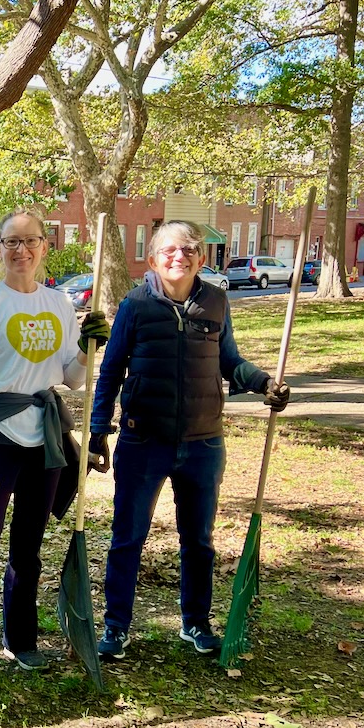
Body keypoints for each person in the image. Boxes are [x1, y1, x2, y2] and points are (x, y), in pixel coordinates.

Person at [87, 220, 290, 662]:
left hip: (203, 443)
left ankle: (196, 622)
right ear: (153, 259)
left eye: (189, 250)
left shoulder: (216, 301)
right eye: (170, 250)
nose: (179, 256)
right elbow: (111, 370)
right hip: (144, 442)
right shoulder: (135, 305)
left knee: (198, 540)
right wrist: (98, 431)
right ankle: (116, 626)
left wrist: (263, 384)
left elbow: (228, 360)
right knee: (128, 538)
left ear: (201, 259)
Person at [0, 209, 110, 681]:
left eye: (30, 240)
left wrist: (87, 349)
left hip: (45, 439)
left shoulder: (58, 304)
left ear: (43, 246)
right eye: (11, 242)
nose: (22, 250)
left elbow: (72, 380)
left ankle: (21, 639)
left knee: (28, 549)